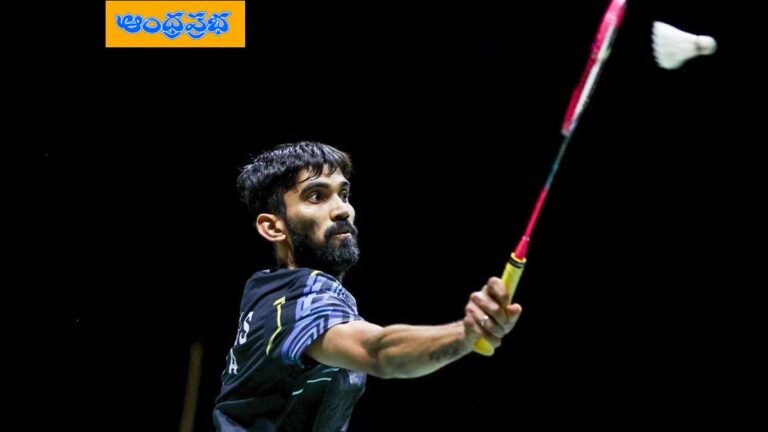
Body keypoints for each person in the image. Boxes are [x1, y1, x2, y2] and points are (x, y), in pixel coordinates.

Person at [213, 141, 523, 432]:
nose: (342, 210)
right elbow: (378, 351)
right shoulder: (294, 303)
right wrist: (466, 334)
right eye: (316, 196)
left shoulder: (267, 290)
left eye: (344, 194)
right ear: (273, 227)